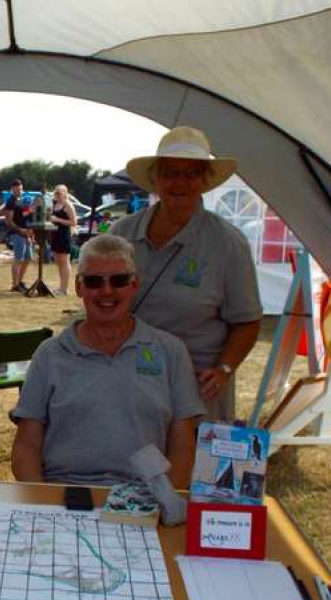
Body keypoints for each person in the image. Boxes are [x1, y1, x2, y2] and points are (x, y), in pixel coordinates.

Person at [11, 234, 203, 600]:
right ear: (79, 287)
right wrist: (41, 503)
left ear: (135, 284)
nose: (107, 290)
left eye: (118, 279)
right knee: (18, 580)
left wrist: (174, 503)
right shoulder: (52, 354)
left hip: (144, 499)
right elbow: (27, 444)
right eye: (94, 280)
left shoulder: (168, 351)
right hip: (67, 496)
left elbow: (183, 438)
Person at [111, 125, 262, 421]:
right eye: (170, 172)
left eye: (191, 173)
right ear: (155, 179)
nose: (180, 182)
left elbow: (247, 322)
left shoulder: (228, 243)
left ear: (205, 181)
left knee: (190, 467)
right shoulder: (121, 233)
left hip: (197, 388)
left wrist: (224, 369)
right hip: (128, 380)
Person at [3, 179, 32, 292]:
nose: (19, 191)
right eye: (17, 189)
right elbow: (9, 221)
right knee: (18, 259)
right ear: (12, 189)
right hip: (17, 233)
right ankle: (15, 284)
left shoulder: (22, 200)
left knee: (28, 258)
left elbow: (25, 216)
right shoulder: (11, 202)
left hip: (25, 233)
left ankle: (20, 281)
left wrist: (28, 232)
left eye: (20, 189)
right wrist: (21, 230)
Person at [49, 184, 77, 295]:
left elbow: (74, 222)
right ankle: (61, 287)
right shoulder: (54, 204)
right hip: (55, 234)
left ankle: (64, 289)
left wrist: (58, 219)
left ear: (65, 193)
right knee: (58, 261)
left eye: (59, 193)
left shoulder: (68, 205)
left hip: (64, 235)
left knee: (64, 261)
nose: (57, 195)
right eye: (55, 192)